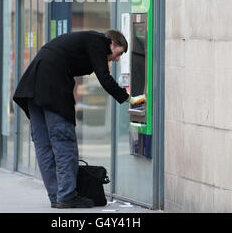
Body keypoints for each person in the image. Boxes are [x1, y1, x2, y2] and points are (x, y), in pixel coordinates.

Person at [13, 29, 145, 209]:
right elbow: (104, 78)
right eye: (119, 53)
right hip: (52, 87)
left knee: (43, 145)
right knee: (63, 141)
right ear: (111, 43)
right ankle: (66, 195)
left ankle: (57, 196)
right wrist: (130, 98)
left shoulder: (85, 41)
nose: (116, 59)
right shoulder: (99, 41)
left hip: (32, 87)